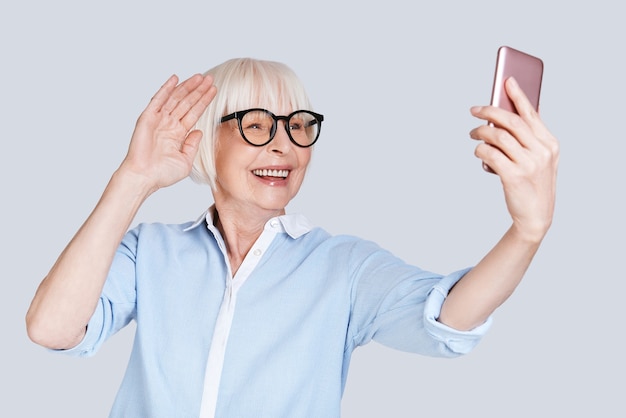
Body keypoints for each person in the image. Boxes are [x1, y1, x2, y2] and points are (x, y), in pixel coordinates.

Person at [26, 58, 559, 417]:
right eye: (257, 124)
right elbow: (52, 328)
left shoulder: (342, 266)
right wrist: (133, 180)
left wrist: (526, 232)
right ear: (204, 140)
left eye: (299, 125)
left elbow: (447, 319)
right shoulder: (152, 252)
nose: (284, 145)